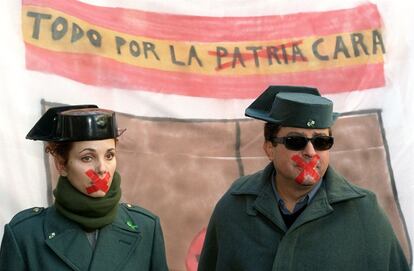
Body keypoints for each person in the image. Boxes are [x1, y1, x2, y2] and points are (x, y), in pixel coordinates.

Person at [198, 86, 409, 271]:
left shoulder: (364, 211)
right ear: (270, 148)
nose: (310, 152)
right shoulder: (235, 206)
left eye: (321, 141)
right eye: (296, 141)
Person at [0, 105, 169, 271]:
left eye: (109, 155)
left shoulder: (146, 228)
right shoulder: (25, 235)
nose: (102, 168)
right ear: (61, 164)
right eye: (87, 158)